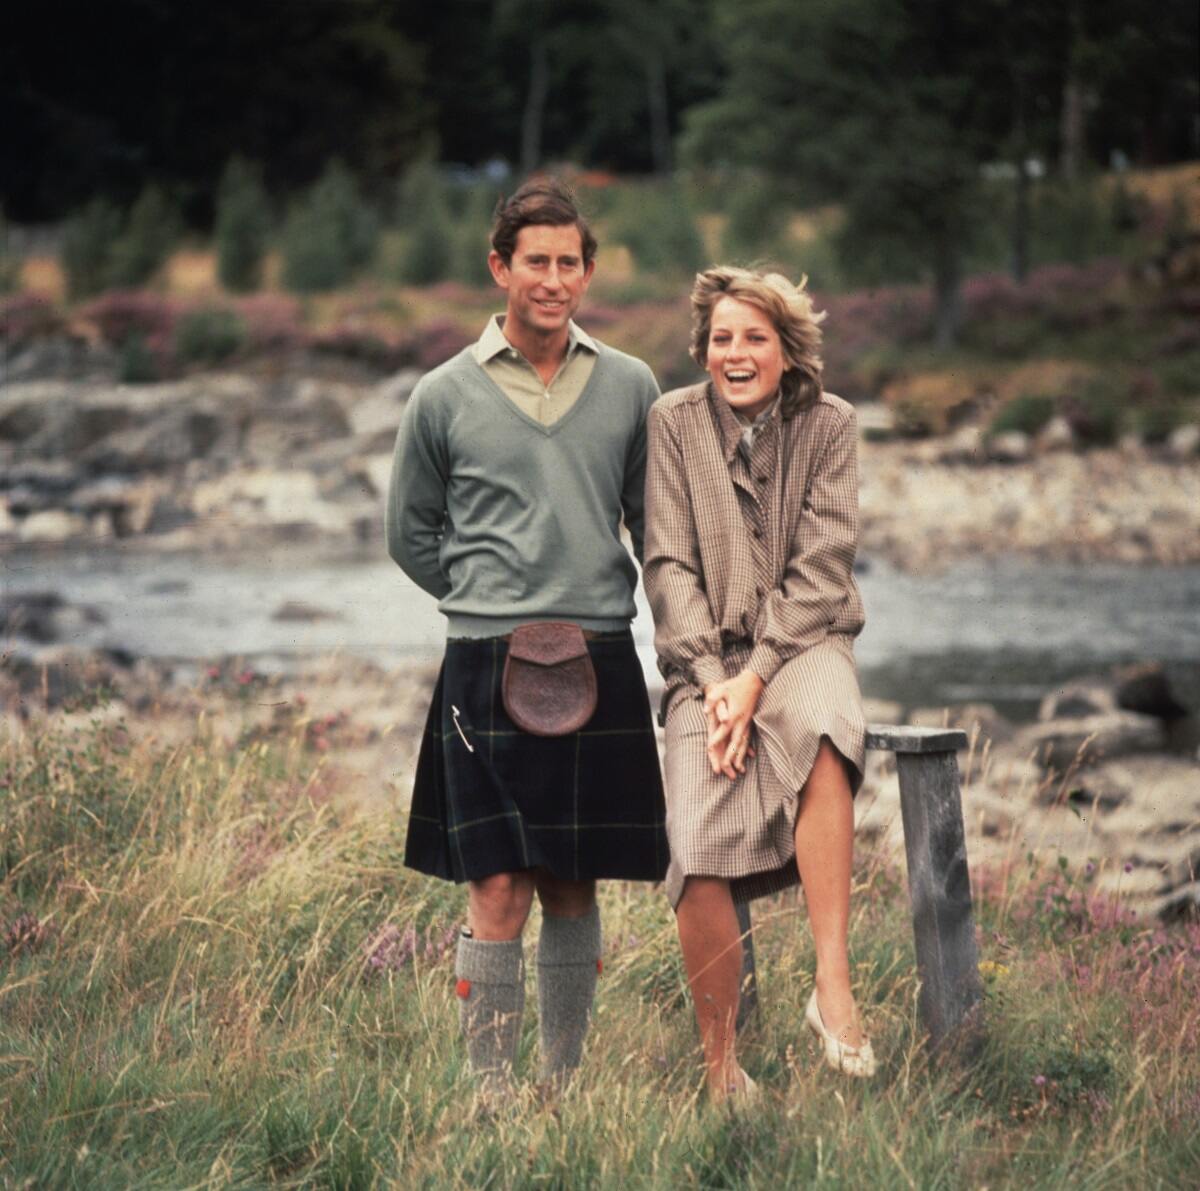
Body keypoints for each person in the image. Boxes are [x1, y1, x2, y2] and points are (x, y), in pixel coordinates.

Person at [386, 177, 667, 1100]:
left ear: (587, 273)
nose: (553, 279)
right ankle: (488, 1094)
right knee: (497, 885)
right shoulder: (442, 395)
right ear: (499, 266)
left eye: (569, 263)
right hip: (484, 660)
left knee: (574, 881)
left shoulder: (631, 386)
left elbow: (650, 522)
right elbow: (409, 533)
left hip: (599, 651)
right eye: (535, 262)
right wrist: (482, 602)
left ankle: (563, 1082)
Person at [643, 265, 873, 1102]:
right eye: (721, 339)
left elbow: (822, 570)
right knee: (695, 838)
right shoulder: (671, 422)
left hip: (804, 642)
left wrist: (759, 676)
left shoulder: (832, 425)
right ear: (703, 348)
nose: (734, 354)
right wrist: (713, 679)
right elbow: (666, 564)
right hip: (703, 658)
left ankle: (832, 983)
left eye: (754, 338)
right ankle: (721, 1067)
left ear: (787, 349)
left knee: (823, 730)